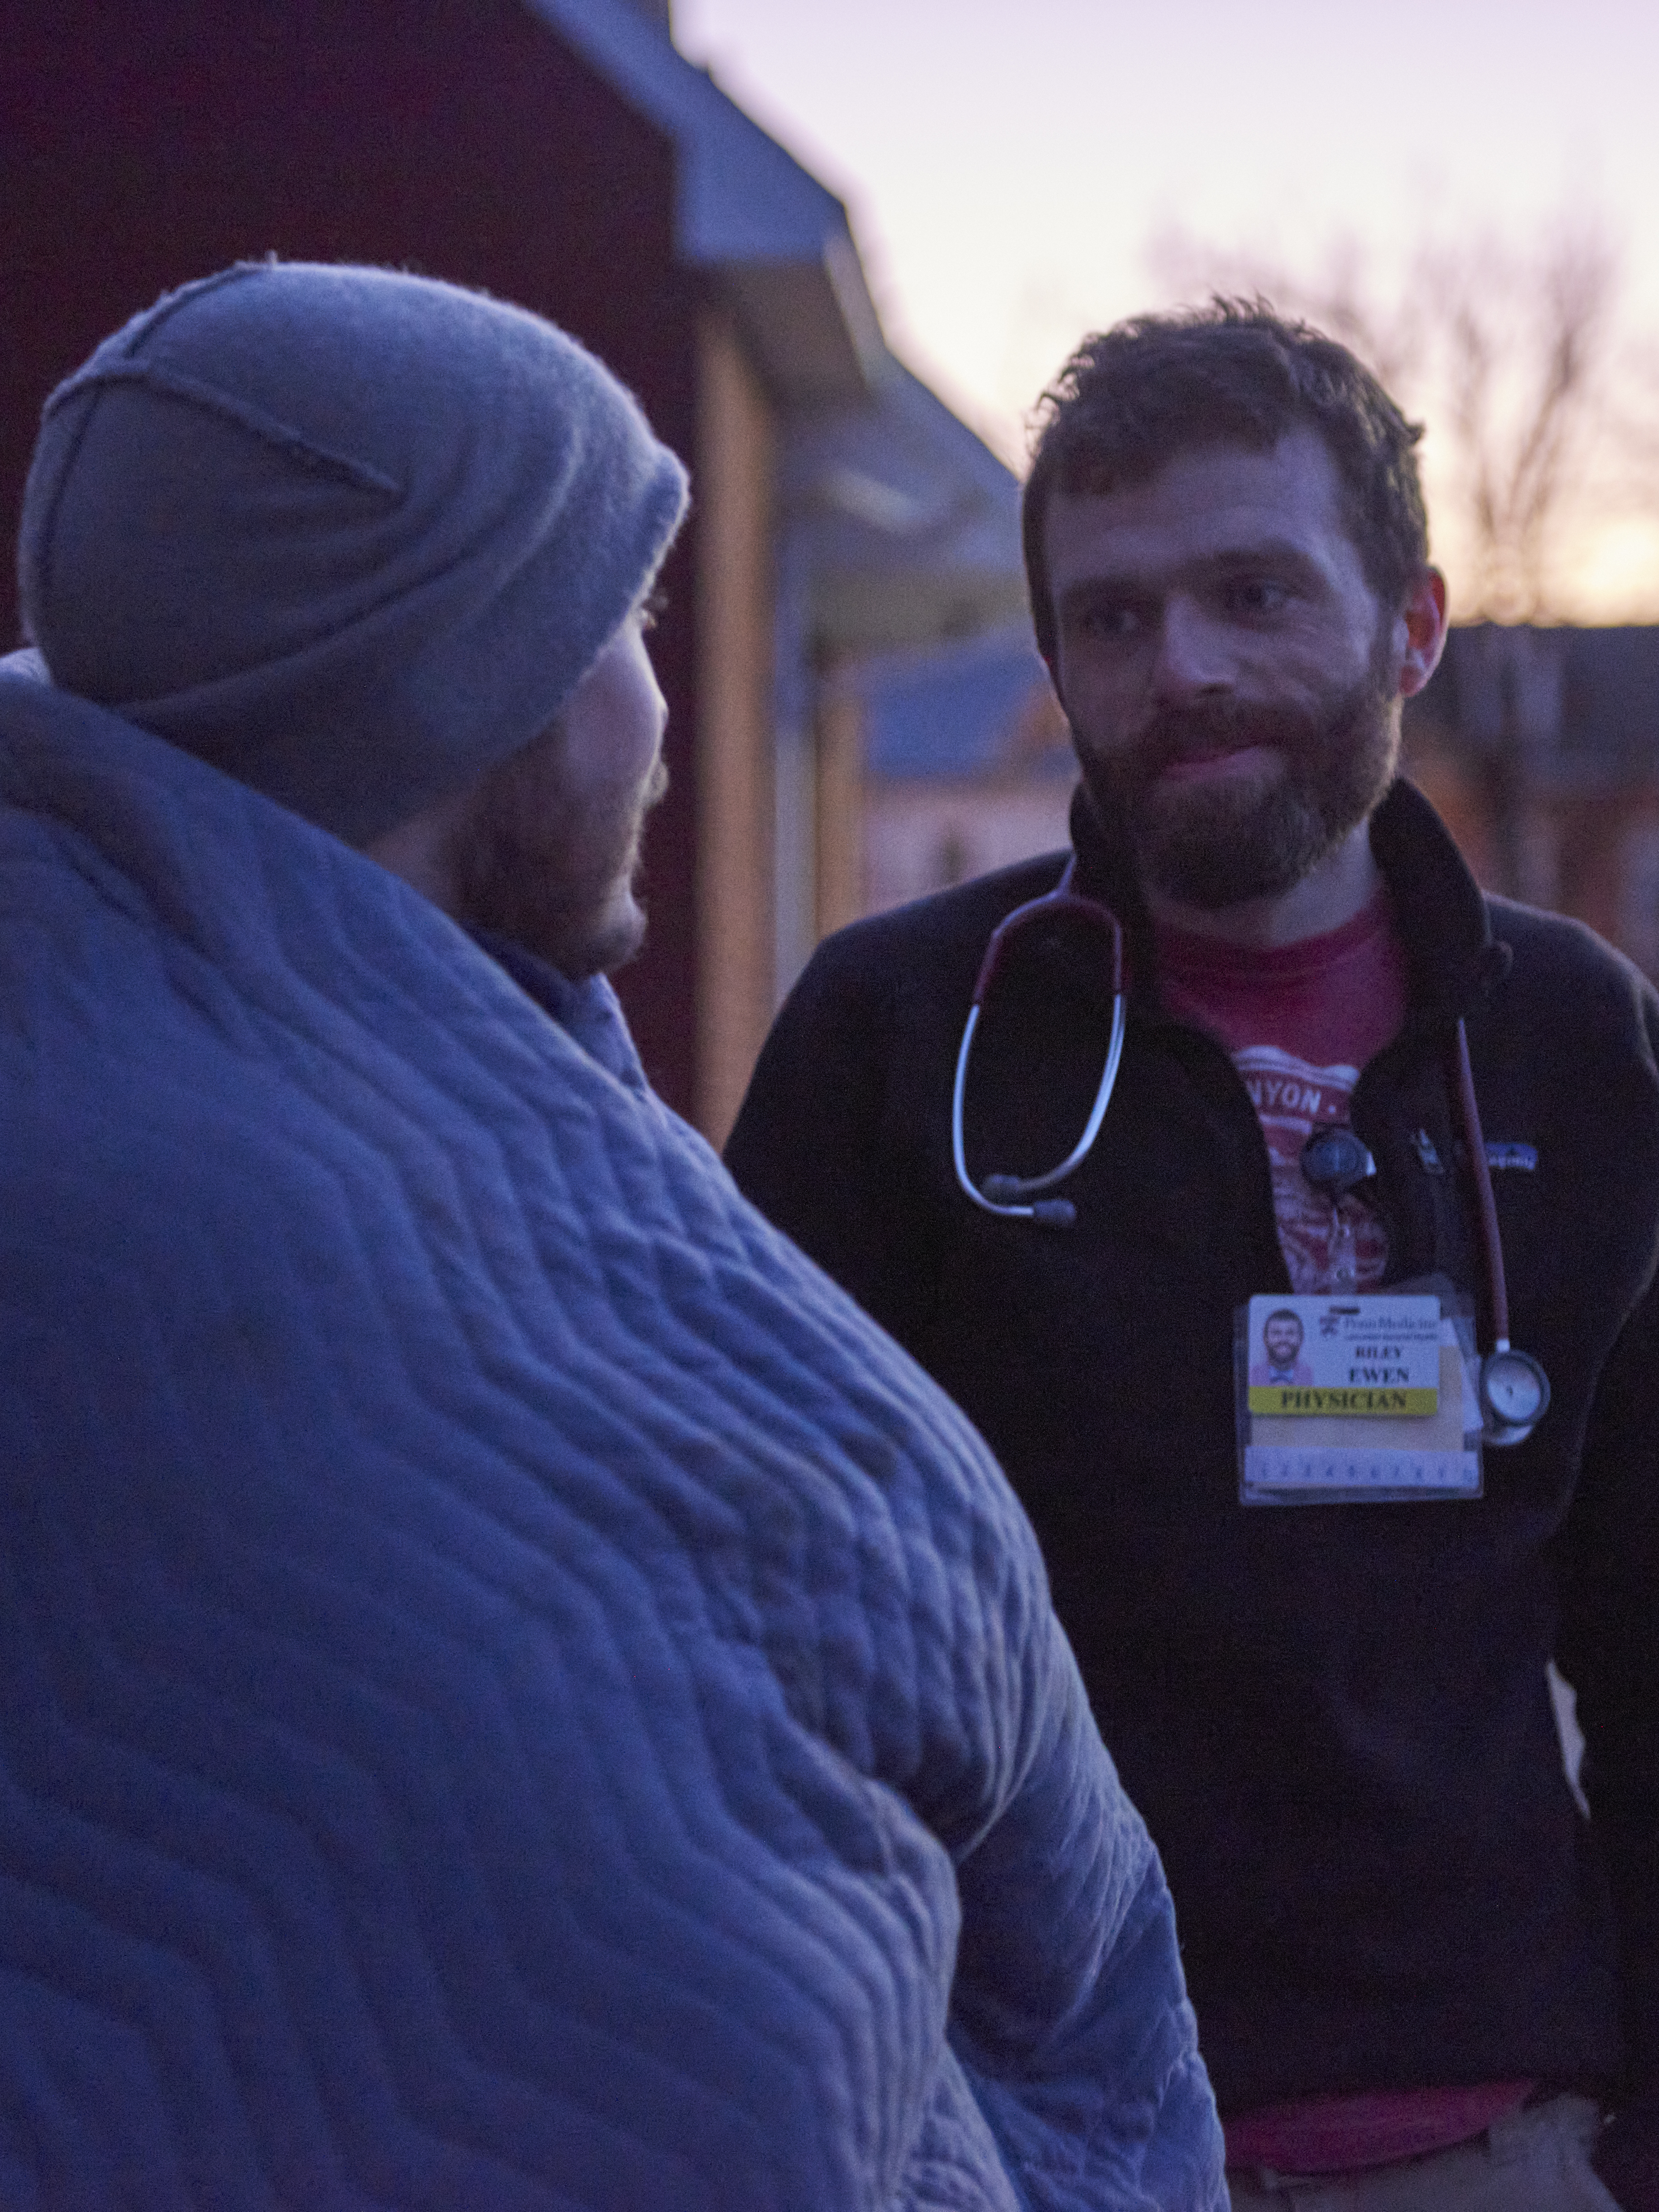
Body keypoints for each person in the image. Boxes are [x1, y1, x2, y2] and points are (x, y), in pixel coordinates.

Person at [0, 264, 1224, 2209]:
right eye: (622, 618)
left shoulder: (432, 1079)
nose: (662, 715)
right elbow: (690, 2031)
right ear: (454, 688)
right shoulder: (227, 1245)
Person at [726, 303, 1659, 2211]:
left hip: (1485, 2128)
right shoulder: (904, 1038)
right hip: (1016, 2122)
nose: (1184, 670)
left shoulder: (1576, 1037)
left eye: (1254, 593)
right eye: (1116, 616)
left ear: (1414, 620)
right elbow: (755, 1625)